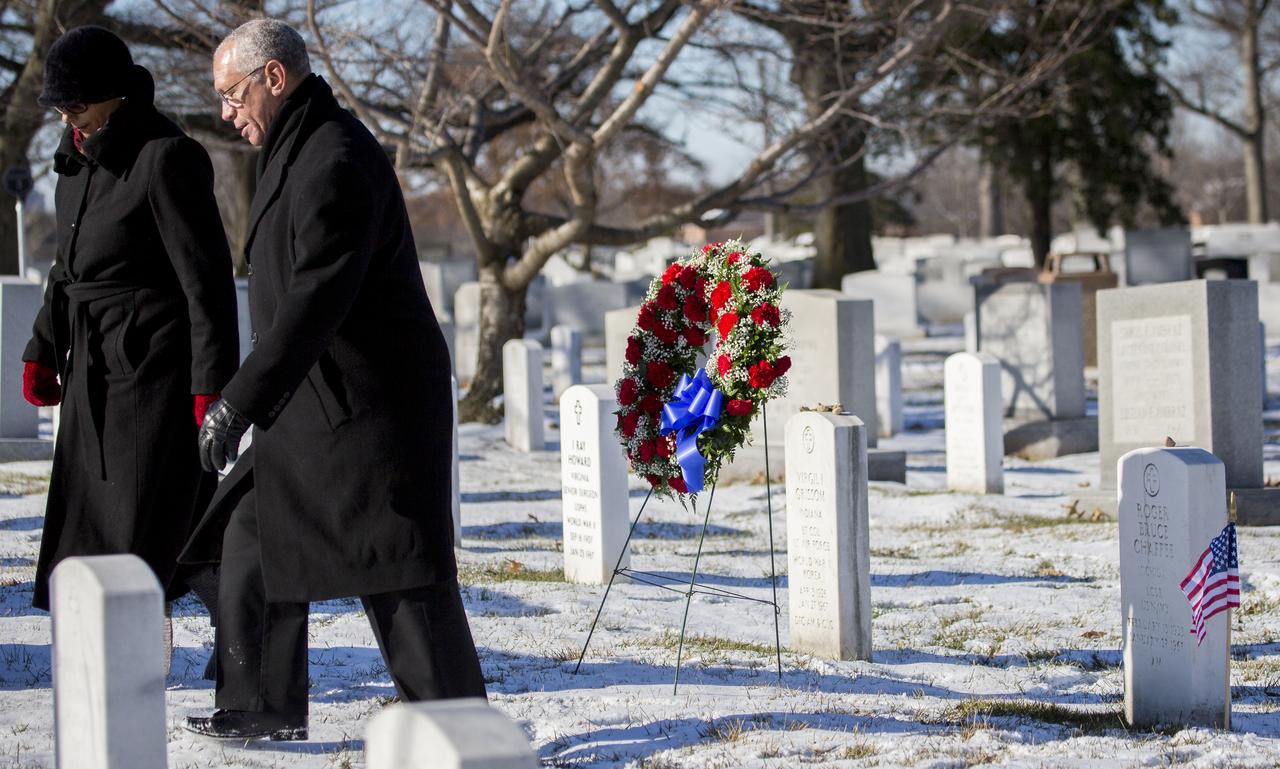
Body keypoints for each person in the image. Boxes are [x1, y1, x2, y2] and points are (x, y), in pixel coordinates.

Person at [182, 19, 485, 742]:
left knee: (399, 573)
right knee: (249, 533)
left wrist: (238, 401)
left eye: (232, 94)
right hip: (317, 400)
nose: (227, 111)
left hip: (370, 405)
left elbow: (314, 298)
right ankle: (262, 702)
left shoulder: (336, 157)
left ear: (274, 79)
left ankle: (466, 731)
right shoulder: (294, 148)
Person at [22, 26, 238, 649]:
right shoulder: (75, 159)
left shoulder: (164, 156)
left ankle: (212, 640)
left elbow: (207, 282)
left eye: (78, 106)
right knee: (90, 515)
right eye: (61, 109)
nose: (70, 119)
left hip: (152, 368)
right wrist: (43, 347)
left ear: (114, 96)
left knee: (149, 520)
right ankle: (103, 634)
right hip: (93, 362)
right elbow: (67, 271)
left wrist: (210, 385)